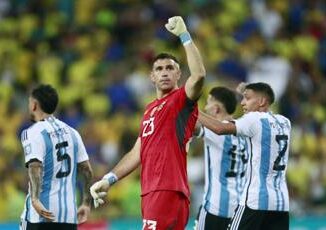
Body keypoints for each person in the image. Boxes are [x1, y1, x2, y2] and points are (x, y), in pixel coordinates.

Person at [90, 16, 206, 229]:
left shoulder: (180, 101)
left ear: (179, 74)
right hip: (154, 192)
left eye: (170, 68)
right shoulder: (149, 111)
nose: (164, 73)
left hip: (166, 190)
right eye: (159, 69)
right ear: (151, 77)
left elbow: (198, 75)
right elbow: (138, 152)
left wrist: (184, 36)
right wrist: (109, 179)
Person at [199, 83, 291, 230]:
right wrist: (247, 93)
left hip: (255, 201)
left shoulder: (254, 119)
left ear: (261, 102)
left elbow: (220, 128)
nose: (242, 103)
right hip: (281, 203)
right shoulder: (285, 122)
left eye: (247, 98)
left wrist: (191, 108)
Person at [20, 84, 93, 230]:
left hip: (40, 215)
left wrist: (34, 199)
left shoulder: (32, 132)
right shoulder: (73, 132)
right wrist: (86, 202)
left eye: (29, 102)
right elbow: (87, 170)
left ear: (34, 105)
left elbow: (35, 166)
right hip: (69, 215)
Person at [194, 87, 249, 230]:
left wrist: (183, 104)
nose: (205, 107)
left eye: (208, 103)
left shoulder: (216, 131)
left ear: (216, 109)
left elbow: (192, 126)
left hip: (215, 207)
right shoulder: (245, 130)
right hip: (240, 208)